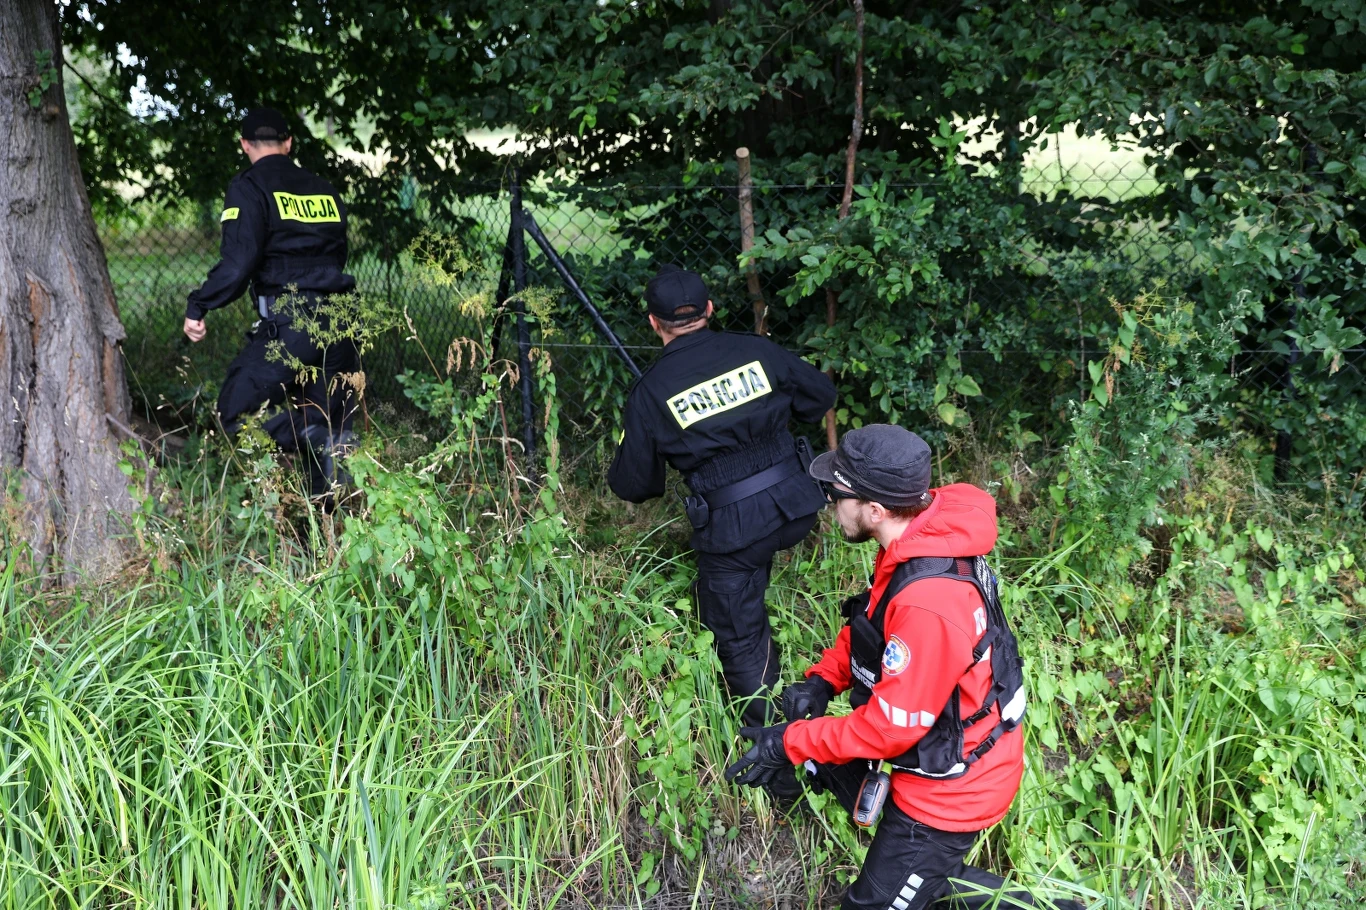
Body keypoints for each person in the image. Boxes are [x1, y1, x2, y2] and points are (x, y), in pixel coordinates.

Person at [725, 425, 1083, 910]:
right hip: (942, 752)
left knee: (874, 901)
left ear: (874, 508)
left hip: (952, 790)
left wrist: (787, 742)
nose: (831, 506)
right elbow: (872, 624)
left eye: (837, 495)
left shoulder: (928, 603)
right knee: (926, 879)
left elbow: (888, 730)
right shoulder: (918, 539)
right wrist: (823, 679)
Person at [608, 265, 836, 735]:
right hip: (798, 505)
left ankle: (773, 751)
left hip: (735, 528)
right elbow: (820, 395)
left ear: (653, 322)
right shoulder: (756, 349)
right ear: (709, 310)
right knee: (745, 574)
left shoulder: (650, 392)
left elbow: (636, 485)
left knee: (738, 633)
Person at [184, 107, 359, 496]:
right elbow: (337, 255)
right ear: (289, 143)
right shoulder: (322, 188)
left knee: (234, 414)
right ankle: (330, 538)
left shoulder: (249, 187)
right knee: (332, 432)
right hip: (343, 322)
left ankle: (310, 436)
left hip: (291, 324)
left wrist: (199, 305)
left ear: (244, 144)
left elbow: (239, 262)